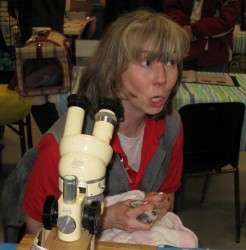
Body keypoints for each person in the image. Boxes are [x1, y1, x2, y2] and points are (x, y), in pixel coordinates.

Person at [22, 9, 190, 238]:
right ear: (113, 68)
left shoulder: (171, 126)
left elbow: (168, 195)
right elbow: (35, 230)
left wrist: (159, 205)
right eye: (147, 62)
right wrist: (106, 218)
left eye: (171, 62)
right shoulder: (64, 144)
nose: (162, 78)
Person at [164, 0, 241, 72]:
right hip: (184, 49)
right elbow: (173, 7)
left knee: (212, 86)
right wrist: (182, 27)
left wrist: (193, 30)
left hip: (214, 53)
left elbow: (227, 20)